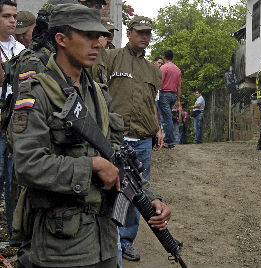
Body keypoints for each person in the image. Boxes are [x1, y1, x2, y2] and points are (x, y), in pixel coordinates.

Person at [11, 4, 171, 268]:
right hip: (62, 245)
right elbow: (27, 166)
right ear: (61, 39)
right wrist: (91, 166)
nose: (98, 42)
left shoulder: (99, 93)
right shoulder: (36, 93)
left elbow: (118, 154)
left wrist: (151, 196)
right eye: (87, 35)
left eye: (99, 36)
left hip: (105, 240)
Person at [105, 15, 163, 261]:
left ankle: (127, 239)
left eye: (148, 32)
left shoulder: (153, 70)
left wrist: (158, 129)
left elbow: (153, 104)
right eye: (140, 32)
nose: (145, 36)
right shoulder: (111, 58)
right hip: (115, 137)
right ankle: (110, 240)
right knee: (111, 190)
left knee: (138, 191)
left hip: (142, 139)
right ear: (129, 33)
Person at [0, 0, 25, 240]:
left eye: (14, 16)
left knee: (14, 181)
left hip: (15, 124)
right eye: (7, 16)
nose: (13, 21)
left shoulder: (20, 50)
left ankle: (13, 232)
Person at [159, 49, 182, 148]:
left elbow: (160, 82)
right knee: (168, 118)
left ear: (164, 56)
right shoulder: (177, 69)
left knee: (166, 118)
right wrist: (178, 100)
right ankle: (169, 139)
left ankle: (169, 140)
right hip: (173, 95)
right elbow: (179, 86)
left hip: (164, 94)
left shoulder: (164, 68)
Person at [153, 56, 164, 127]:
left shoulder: (160, 73)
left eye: (161, 64)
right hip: (151, 97)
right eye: (159, 63)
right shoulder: (150, 71)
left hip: (157, 97)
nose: (160, 65)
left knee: (158, 117)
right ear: (154, 63)